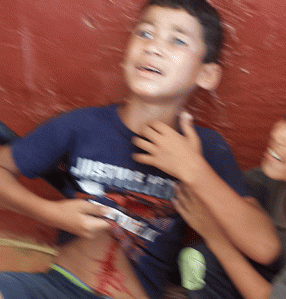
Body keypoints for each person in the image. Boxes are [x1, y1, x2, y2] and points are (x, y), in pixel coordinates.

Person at [0, 0, 281, 298]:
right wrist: (50, 213)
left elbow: (265, 248)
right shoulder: (79, 126)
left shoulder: (205, 148)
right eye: (145, 34)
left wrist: (194, 169)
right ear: (126, 53)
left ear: (206, 74)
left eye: (177, 40)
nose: (154, 48)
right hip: (57, 287)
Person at [173, 118, 286, 299]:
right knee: (194, 258)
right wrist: (195, 162)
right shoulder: (271, 183)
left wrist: (214, 237)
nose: (279, 134)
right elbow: (227, 191)